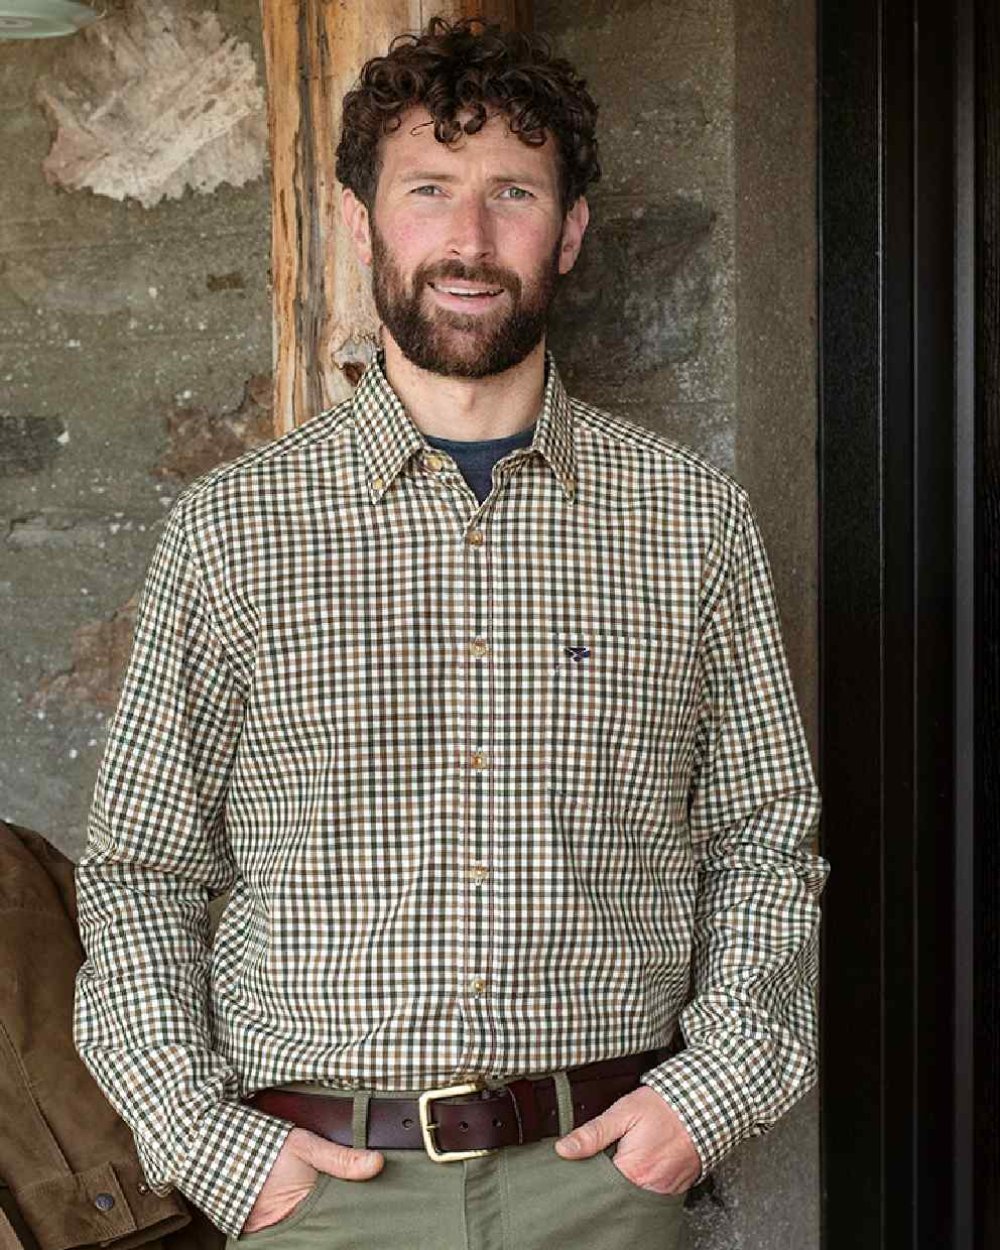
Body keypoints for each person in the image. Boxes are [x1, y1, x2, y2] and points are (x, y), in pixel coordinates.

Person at [73, 17, 829, 1250]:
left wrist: (709, 1094)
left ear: (570, 230)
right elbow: (141, 871)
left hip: (602, 1182)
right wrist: (219, 1148)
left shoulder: (691, 520)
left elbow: (760, 838)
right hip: (321, 1194)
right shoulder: (233, 531)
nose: (468, 241)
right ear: (362, 224)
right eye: (429, 190)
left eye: (512, 194)